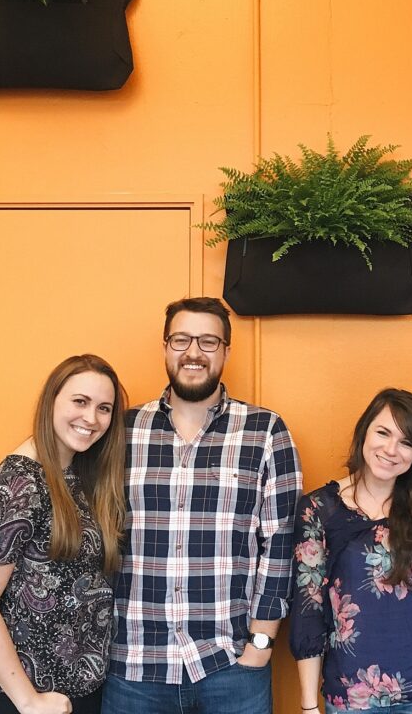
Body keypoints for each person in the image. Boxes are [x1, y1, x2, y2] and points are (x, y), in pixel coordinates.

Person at [102, 297, 302, 714]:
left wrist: (261, 644)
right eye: (181, 339)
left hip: (231, 666)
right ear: (165, 347)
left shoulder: (265, 431)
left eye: (208, 341)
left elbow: (280, 543)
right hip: (134, 667)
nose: (193, 352)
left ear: (226, 351)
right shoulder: (122, 431)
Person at [0, 354, 128, 714]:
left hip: (83, 690)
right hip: (30, 696)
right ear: (51, 400)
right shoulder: (19, 482)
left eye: (104, 408)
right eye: (80, 401)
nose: (91, 418)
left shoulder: (78, 475)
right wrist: (29, 701)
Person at [290, 388, 412, 714]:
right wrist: (308, 705)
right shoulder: (319, 509)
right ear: (364, 431)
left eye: (406, 442)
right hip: (353, 697)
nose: (391, 449)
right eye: (383, 432)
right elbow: (308, 610)